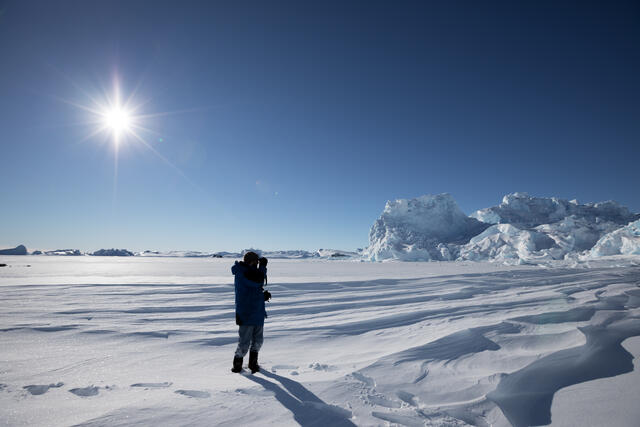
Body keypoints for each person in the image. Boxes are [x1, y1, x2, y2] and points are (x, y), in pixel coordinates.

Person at [231, 251, 271, 373]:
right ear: (251, 262)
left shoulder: (252, 272)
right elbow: (256, 281)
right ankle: (237, 365)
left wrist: (262, 296)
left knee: (258, 341)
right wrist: (263, 267)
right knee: (244, 343)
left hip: (257, 312)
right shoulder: (241, 272)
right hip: (246, 314)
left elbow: (255, 287)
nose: (257, 264)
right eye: (256, 262)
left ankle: (253, 363)